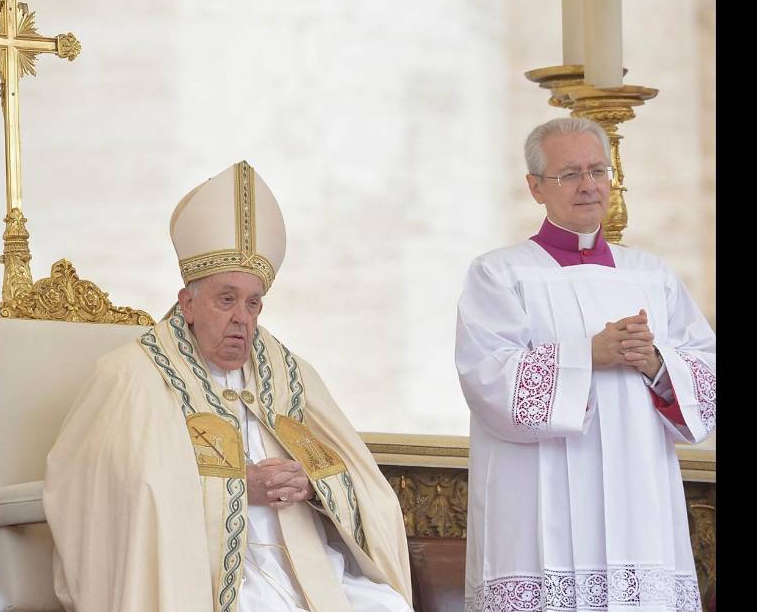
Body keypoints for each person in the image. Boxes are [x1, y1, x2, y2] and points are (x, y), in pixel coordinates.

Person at [43, 161, 413, 611]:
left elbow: (361, 482)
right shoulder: (132, 374)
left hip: (306, 565)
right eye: (226, 299)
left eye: (253, 303)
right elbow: (102, 490)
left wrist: (312, 484)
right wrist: (239, 486)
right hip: (197, 574)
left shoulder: (288, 375)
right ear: (188, 303)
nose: (243, 317)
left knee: (386, 606)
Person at [455, 117, 715, 611]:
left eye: (598, 169)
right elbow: (486, 378)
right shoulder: (500, 273)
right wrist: (586, 356)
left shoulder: (652, 275)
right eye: (568, 173)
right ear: (535, 187)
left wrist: (657, 363)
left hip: (640, 498)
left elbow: (706, 373)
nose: (588, 185)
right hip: (539, 500)